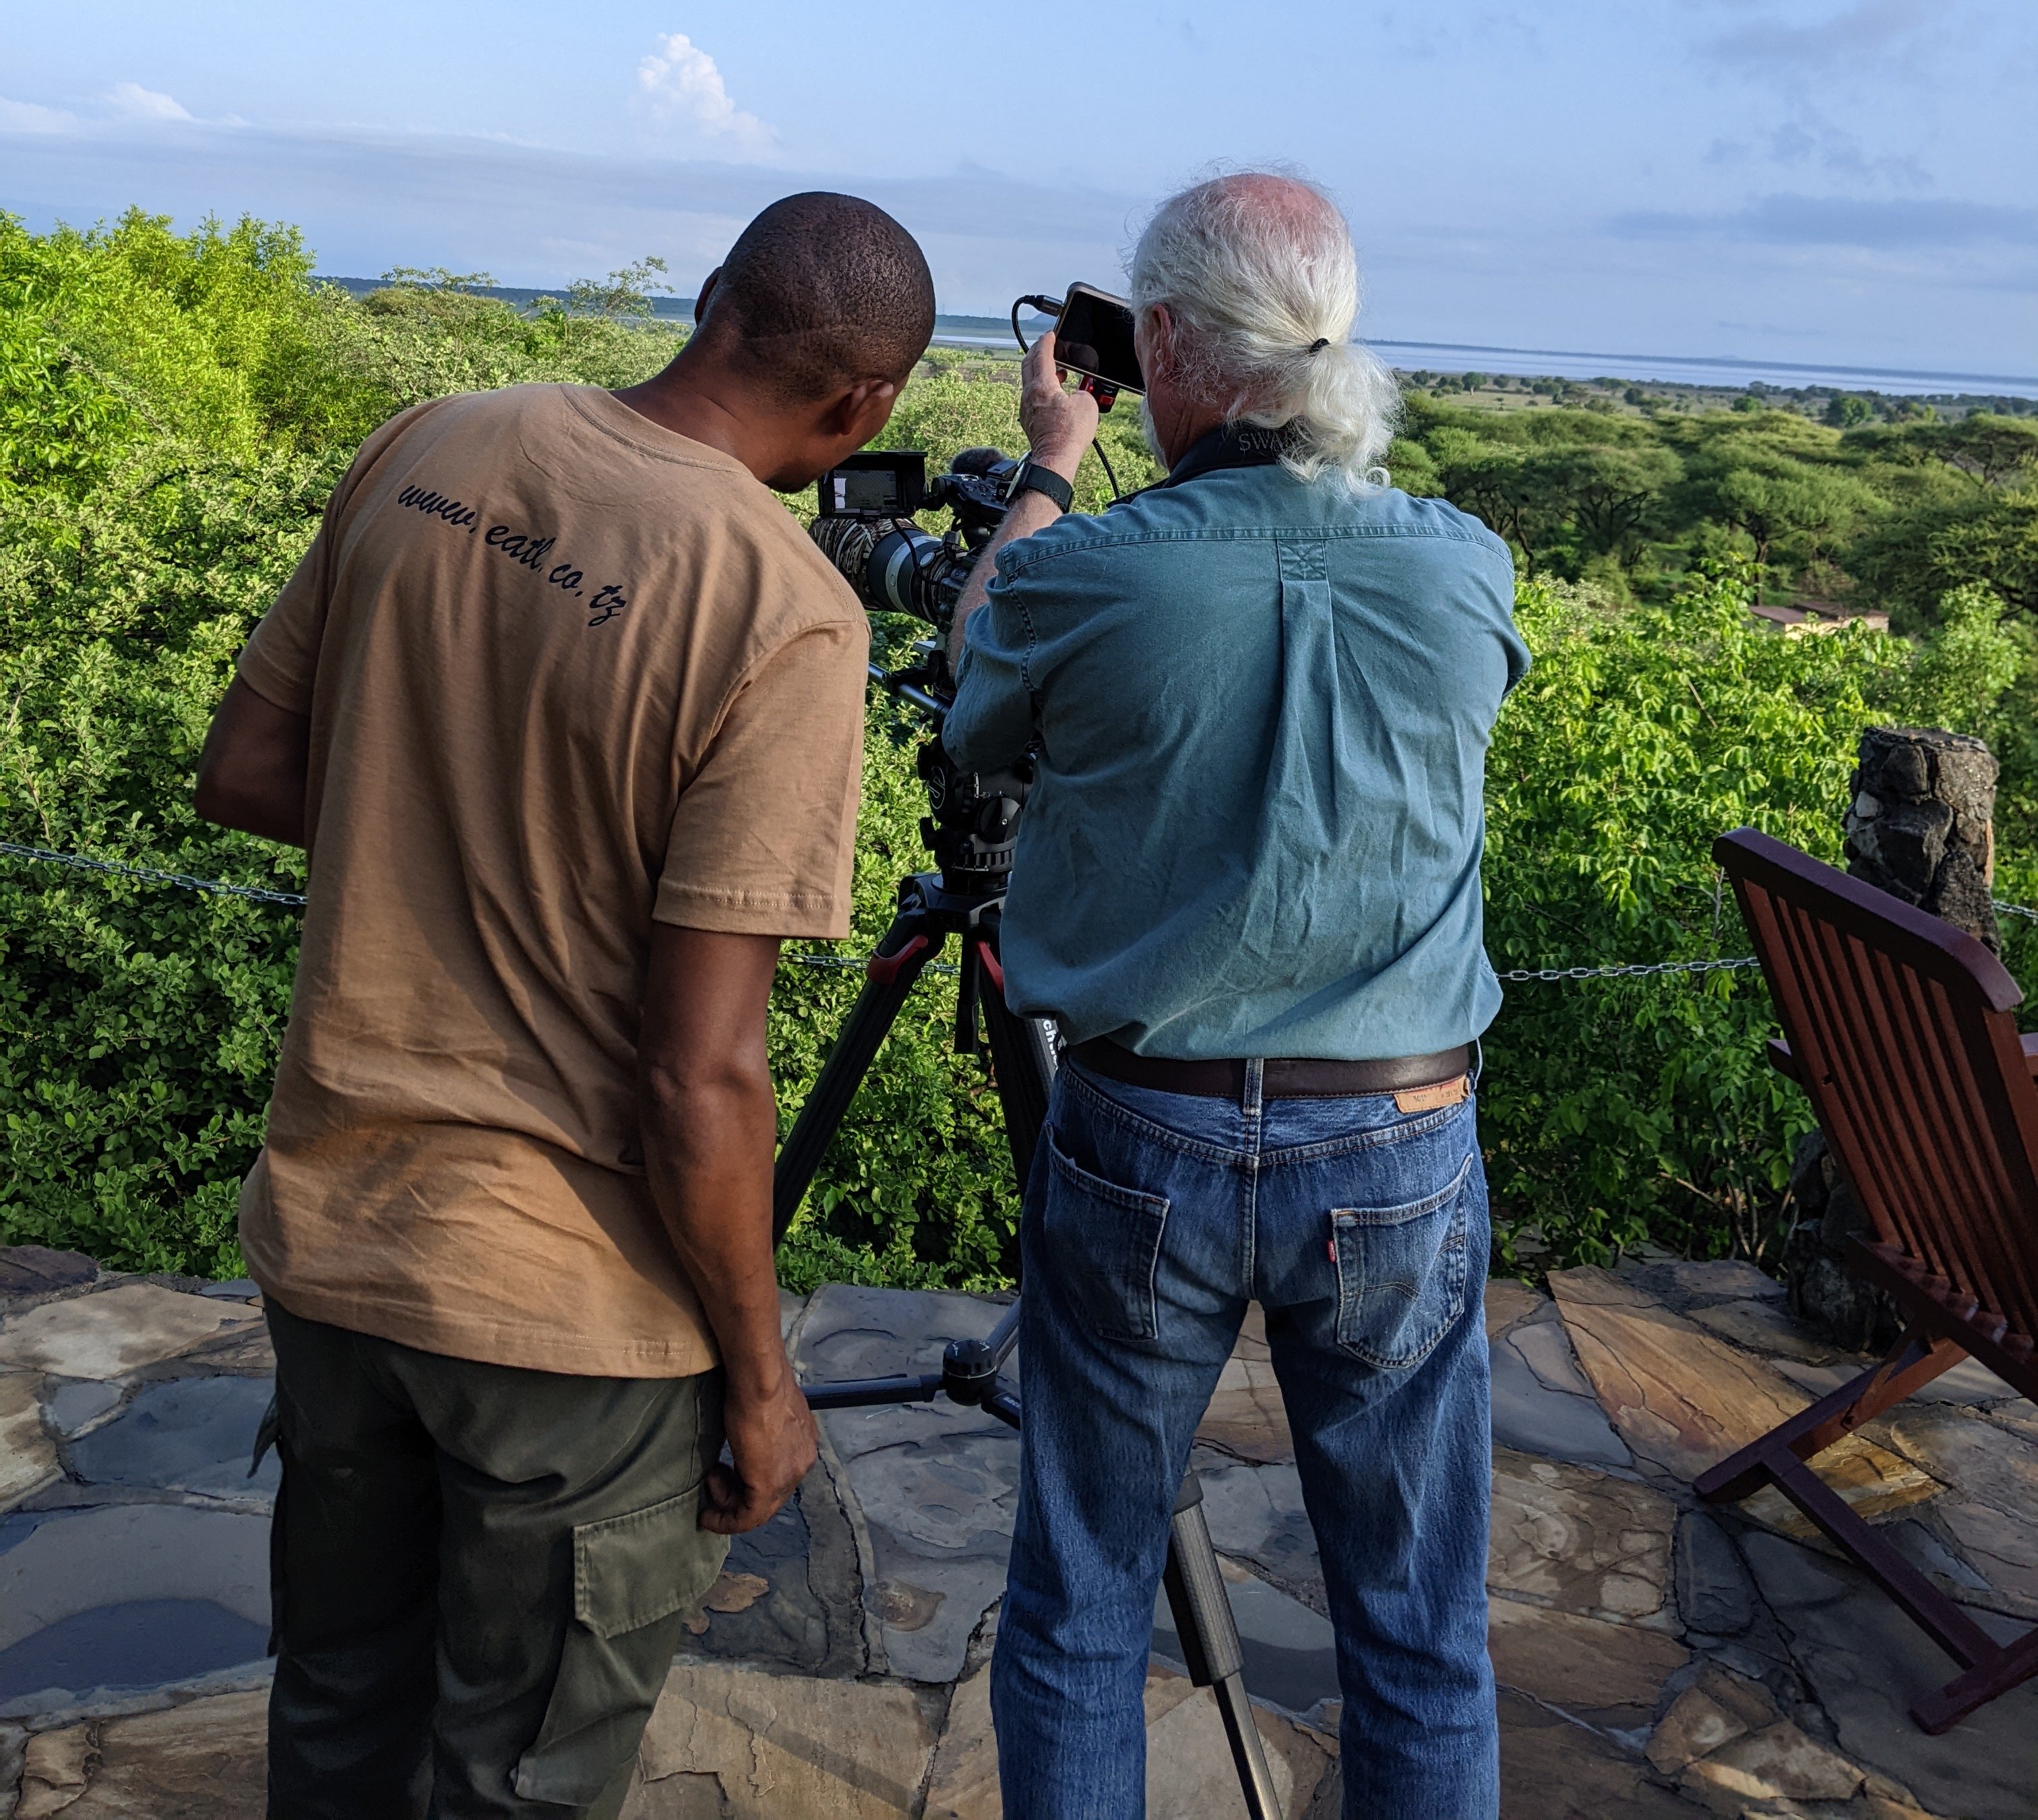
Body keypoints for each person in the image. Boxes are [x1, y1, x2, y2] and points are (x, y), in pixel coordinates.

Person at [193, 193, 935, 1820]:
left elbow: (242, 769)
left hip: (334, 1238)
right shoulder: (783, 607)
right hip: (564, 1320)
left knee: (334, 1713)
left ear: (710, 297)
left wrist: (441, 809)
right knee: (518, 1775)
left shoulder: (433, 441)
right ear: (864, 405)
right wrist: (759, 1378)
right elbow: (698, 1081)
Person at [944, 172, 1528, 1820]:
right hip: (1402, 1134)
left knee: (1080, 1604)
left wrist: (1056, 462)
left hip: (1147, 1131)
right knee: (1417, 1632)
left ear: (1175, 343)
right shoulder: (1461, 565)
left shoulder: (1093, 571)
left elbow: (974, 699)